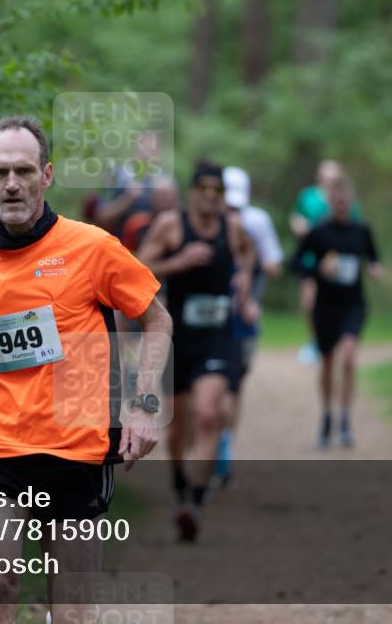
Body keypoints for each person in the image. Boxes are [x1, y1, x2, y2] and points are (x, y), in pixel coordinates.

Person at [0, 115, 172, 624]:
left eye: (24, 171)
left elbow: (157, 319)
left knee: (72, 608)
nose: (12, 184)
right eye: (0, 172)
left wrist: (144, 406)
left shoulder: (92, 247)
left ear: (46, 175)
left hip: (77, 443)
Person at [136, 161, 255, 542]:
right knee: (177, 428)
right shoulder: (171, 225)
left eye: (216, 190)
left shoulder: (232, 228)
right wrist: (178, 261)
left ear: (223, 195)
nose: (209, 195)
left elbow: (248, 253)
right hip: (178, 336)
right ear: (192, 192)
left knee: (209, 414)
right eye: (203, 188)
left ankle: (196, 501)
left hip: (218, 336)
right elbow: (137, 266)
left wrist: (244, 281)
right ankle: (179, 485)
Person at [290, 173, 382, 448]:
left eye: (345, 202)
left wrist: (375, 268)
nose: (341, 206)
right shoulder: (319, 232)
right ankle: (327, 416)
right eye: (337, 202)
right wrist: (317, 269)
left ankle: (345, 419)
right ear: (330, 202)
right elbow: (296, 263)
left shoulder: (361, 230)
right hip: (326, 306)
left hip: (353, 304)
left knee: (349, 358)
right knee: (328, 362)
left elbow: (373, 256)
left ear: (351, 201)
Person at [213, 166, 283, 486]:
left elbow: (274, 265)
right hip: (209, 319)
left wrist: (253, 276)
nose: (233, 213)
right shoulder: (199, 224)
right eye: (228, 206)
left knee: (234, 383)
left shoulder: (257, 223)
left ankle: (224, 445)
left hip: (243, 316)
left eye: (237, 207)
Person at [288, 160, 361, 364]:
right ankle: (316, 341)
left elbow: (356, 230)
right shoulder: (307, 196)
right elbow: (295, 216)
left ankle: (335, 338)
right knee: (308, 301)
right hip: (311, 257)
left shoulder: (347, 201)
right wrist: (298, 226)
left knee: (334, 304)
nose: (328, 182)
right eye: (325, 177)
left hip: (336, 261)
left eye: (333, 178)